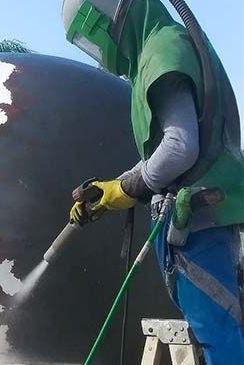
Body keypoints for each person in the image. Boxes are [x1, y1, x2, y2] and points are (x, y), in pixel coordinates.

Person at [61, 0, 244, 364]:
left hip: (198, 221)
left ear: (110, 17)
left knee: (219, 336)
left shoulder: (163, 49)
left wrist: (128, 188)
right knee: (218, 330)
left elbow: (179, 147)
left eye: (91, 38)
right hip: (199, 217)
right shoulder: (160, 46)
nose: (98, 51)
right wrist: (112, 189)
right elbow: (162, 153)